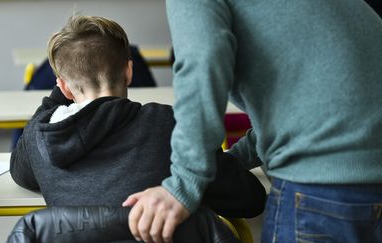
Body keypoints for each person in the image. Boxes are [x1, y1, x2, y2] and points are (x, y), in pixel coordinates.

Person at [123, 0, 382, 242]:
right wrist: (228, 164)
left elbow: (201, 63)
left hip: (324, 183)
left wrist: (182, 185)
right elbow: (320, 104)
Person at [10, 14, 265, 222]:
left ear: (64, 88)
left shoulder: (40, 137)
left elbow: (20, 173)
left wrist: (60, 93)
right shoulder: (166, 124)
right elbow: (249, 199)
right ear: (129, 72)